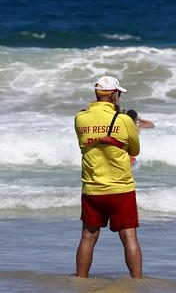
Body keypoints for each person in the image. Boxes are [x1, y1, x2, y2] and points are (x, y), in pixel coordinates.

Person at [73, 76, 142, 278]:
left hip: (92, 188)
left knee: (87, 236)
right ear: (112, 94)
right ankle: (137, 282)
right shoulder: (124, 120)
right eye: (118, 93)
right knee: (128, 236)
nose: (119, 96)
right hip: (121, 188)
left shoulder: (80, 118)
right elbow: (135, 150)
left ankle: (81, 281)